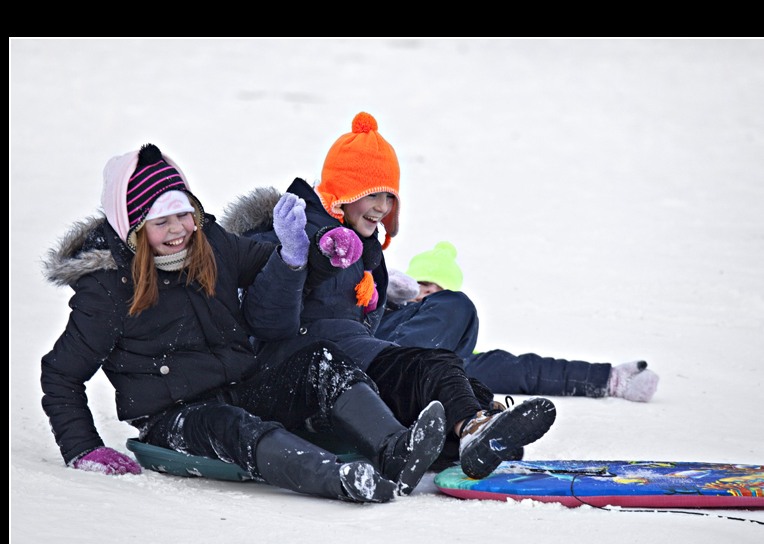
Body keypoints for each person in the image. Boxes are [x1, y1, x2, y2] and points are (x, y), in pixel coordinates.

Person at [39, 142, 448, 504]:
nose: (179, 230)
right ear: (134, 229)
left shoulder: (212, 243)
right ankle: (337, 478)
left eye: (183, 215)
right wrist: (83, 447)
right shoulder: (109, 289)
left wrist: (315, 257)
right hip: (173, 415)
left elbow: (272, 265)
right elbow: (61, 374)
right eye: (161, 222)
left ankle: (394, 447)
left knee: (319, 359)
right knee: (232, 426)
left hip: (240, 384)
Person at [224, 112, 556, 481]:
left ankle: (475, 430)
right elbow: (265, 323)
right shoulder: (288, 231)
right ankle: (469, 431)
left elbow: (359, 321)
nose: (383, 206)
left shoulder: (366, 252)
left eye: (389, 196)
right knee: (431, 367)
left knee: (446, 380)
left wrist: (385, 295)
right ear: (343, 191)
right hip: (296, 372)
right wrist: (292, 259)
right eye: (372, 194)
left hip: (352, 357)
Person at [376, 241, 660, 401]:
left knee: (502, 374)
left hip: (438, 373)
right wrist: (383, 296)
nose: (426, 295)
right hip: (380, 368)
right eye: (420, 287)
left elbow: (531, 371)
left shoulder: (467, 360)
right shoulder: (385, 316)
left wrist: (610, 378)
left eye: (436, 292)